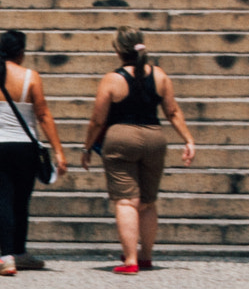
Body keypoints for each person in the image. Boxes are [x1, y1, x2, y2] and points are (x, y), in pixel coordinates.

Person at [82, 26, 195, 274]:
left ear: (118, 50)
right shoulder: (160, 75)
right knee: (148, 201)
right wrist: (188, 139)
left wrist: (87, 147)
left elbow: (98, 120)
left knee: (126, 201)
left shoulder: (113, 79)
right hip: (155, 137)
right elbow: (173, 111)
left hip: (121, 136)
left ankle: (130, 259)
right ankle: (146, 256)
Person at [0, 28, 68, 276]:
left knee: (2, 199)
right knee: (21, 201)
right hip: (25, 146)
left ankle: (6, 258)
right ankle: (20, 252)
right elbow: (43, 115)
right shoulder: (31, 77)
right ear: (21, 52)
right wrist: (58, 151)